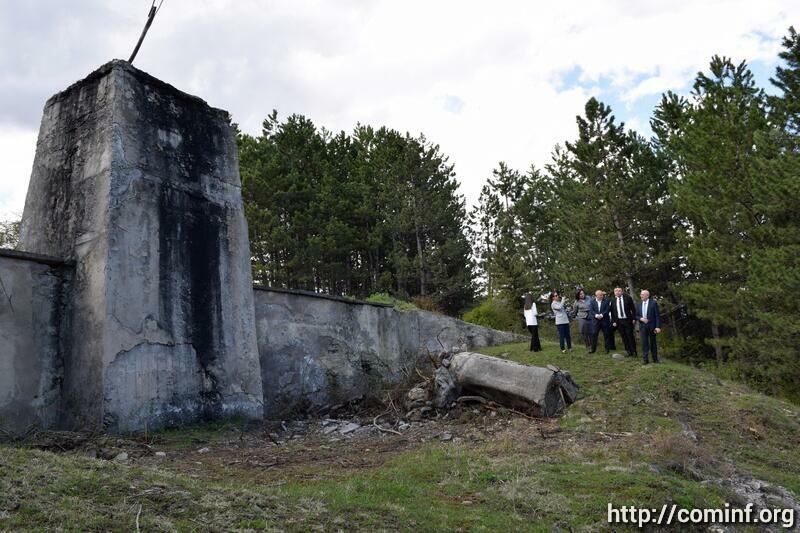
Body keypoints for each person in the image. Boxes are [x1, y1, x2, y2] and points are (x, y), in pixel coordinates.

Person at [609, 286, 637, 357]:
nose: (617, 292)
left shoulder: (628, 298)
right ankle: (628, 351)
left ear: (622, 292)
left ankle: (634, 352)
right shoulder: (612, 300)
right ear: (614, 292)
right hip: (618, 321)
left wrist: (634, 318)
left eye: (619, 291)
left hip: (627, 320)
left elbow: (633, 309)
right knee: (623, 336)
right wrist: (614, 321)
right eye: (616, 291)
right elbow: (612, 312)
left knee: (630, 336)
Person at [636, 289, 662, 364]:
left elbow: (657, 316)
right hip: (643, 326)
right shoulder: (639, 304)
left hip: (652, 326)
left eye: (642, 294)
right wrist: (641, 319)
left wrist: (658, 327)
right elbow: (636, 315)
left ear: (647, 295)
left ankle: (655, 359)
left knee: (653, 343)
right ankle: (645, 359)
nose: (641, 296)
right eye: (641, 294)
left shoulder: (653, 303)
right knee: (644, 343)